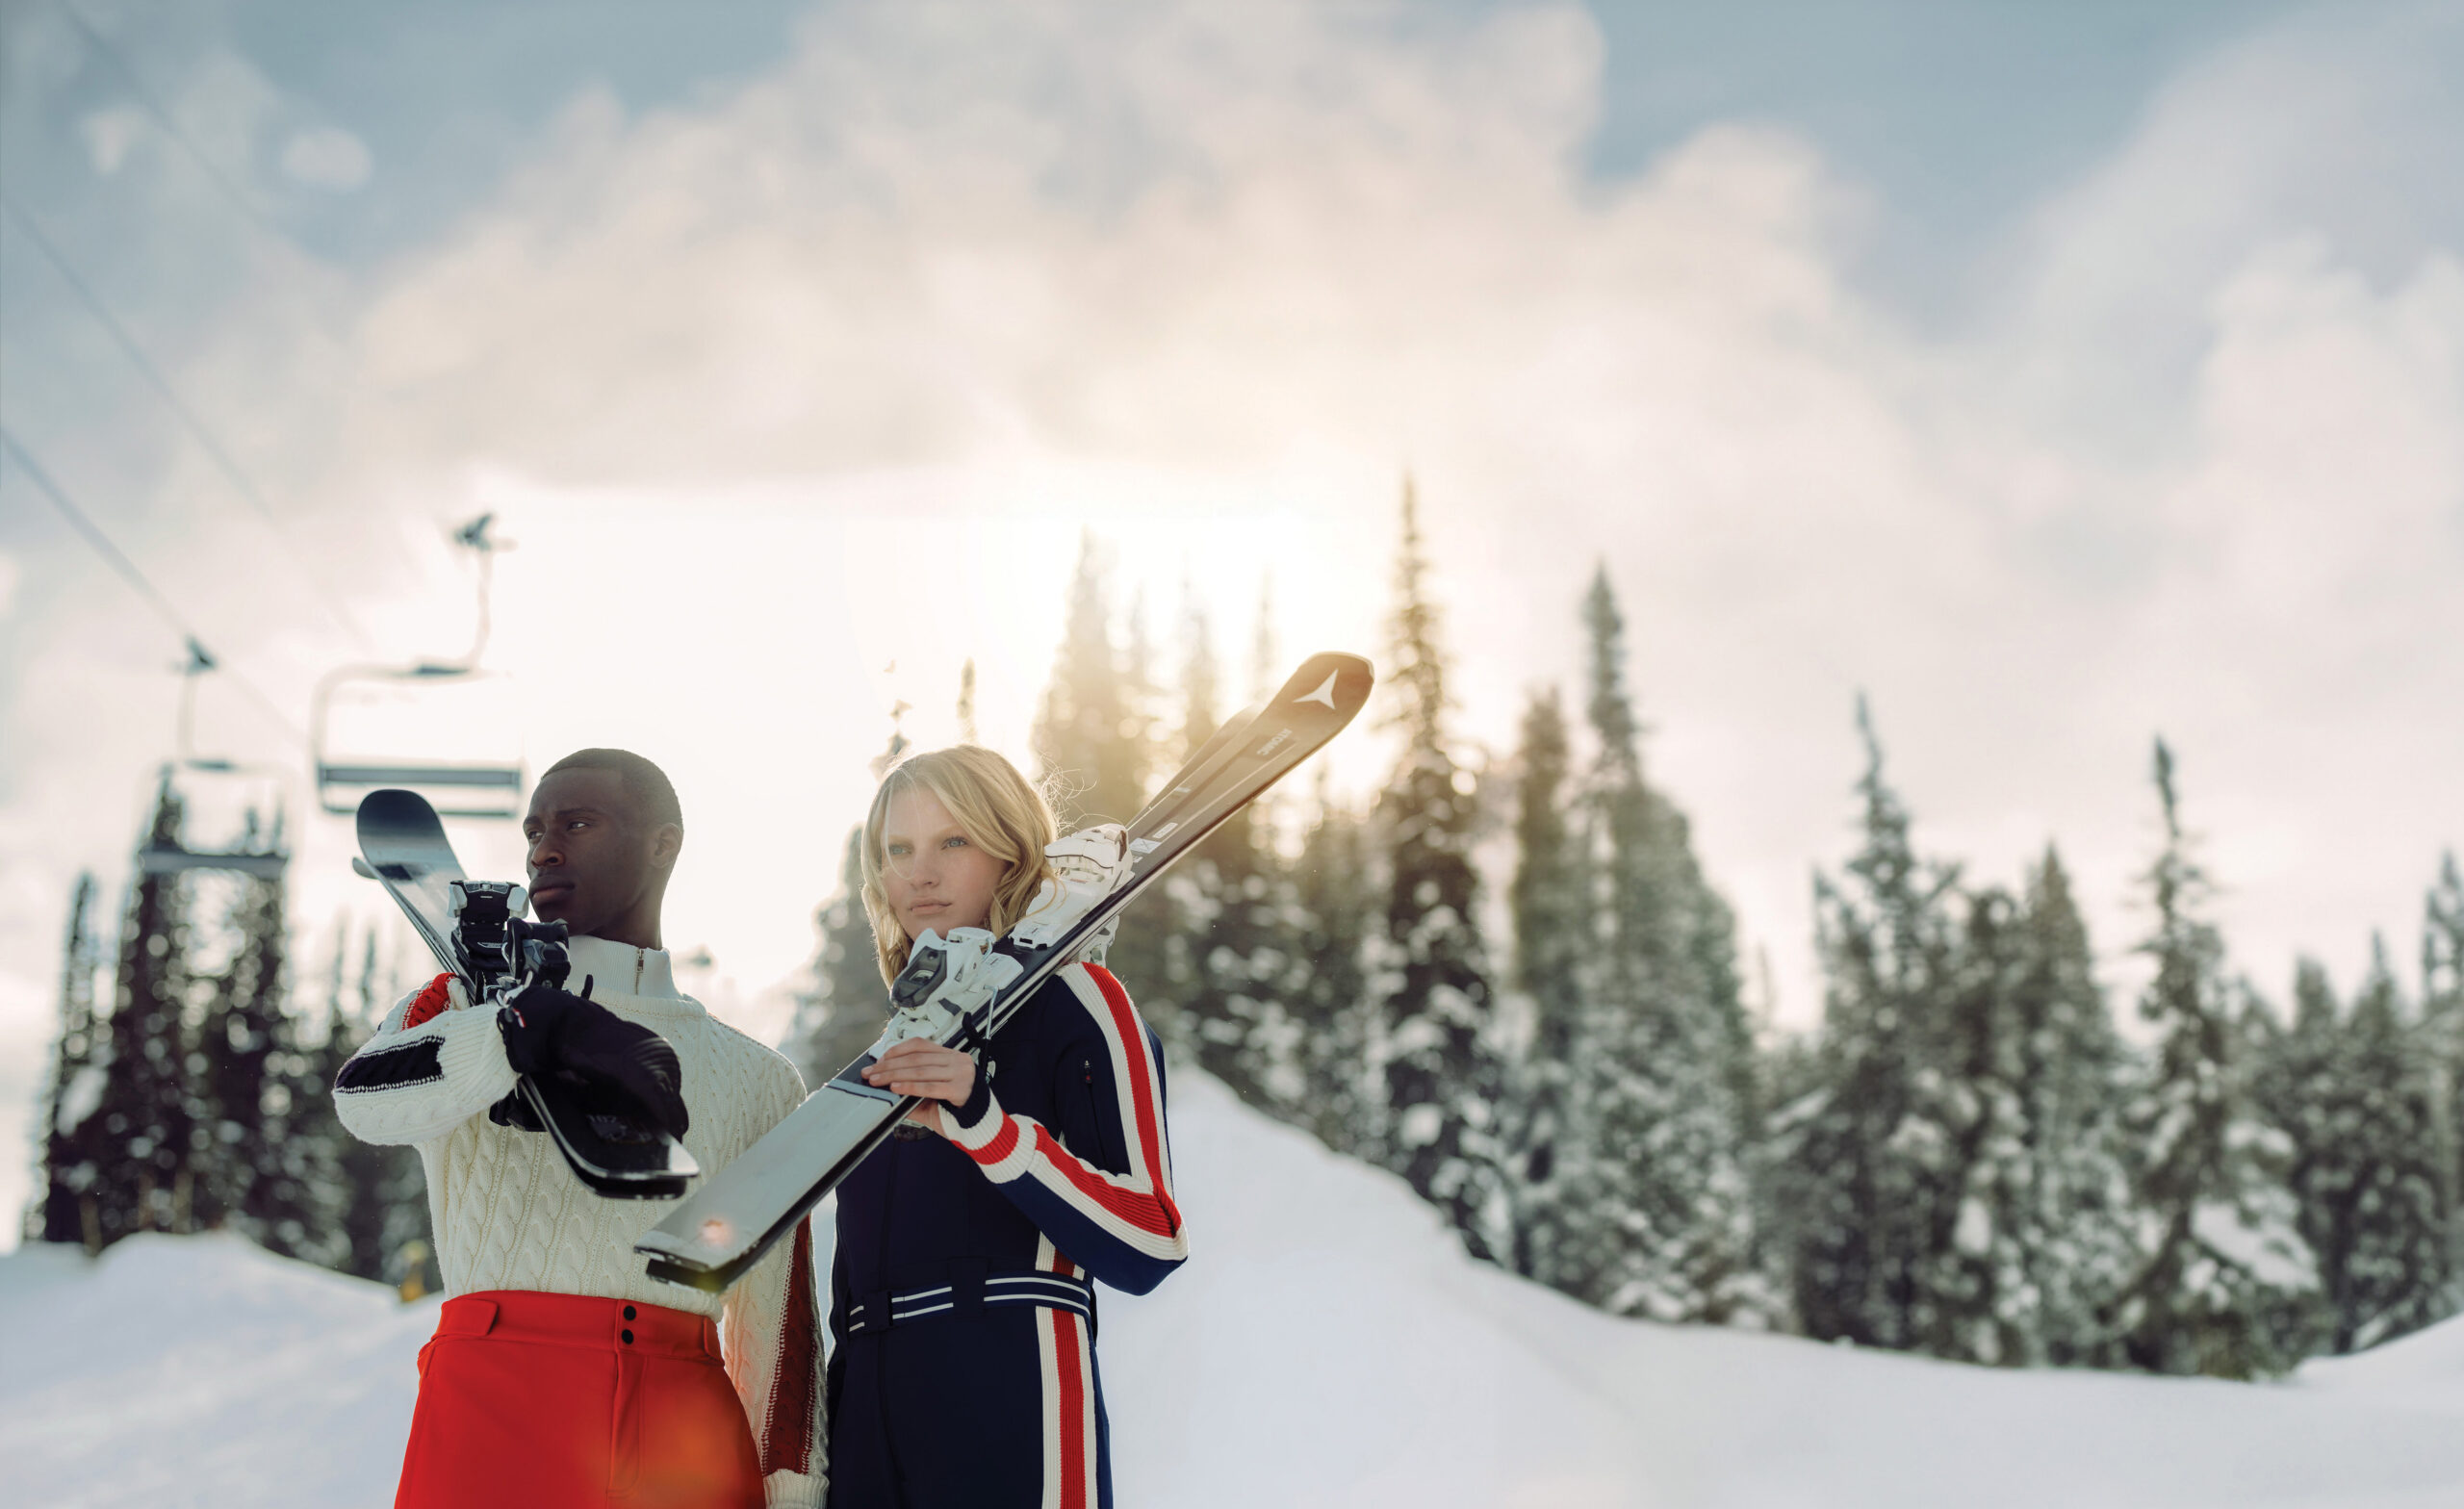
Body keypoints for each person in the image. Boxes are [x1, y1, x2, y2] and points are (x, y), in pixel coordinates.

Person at [334, 749, 827, 1509]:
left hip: (685, 1431)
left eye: (578, 822)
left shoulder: (757, 1078)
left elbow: (778, 1323)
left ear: (664, 844)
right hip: (492, 1411)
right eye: (534, 830)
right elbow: (362, 1098)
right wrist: (509, 1036)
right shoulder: (463, 1003)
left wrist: (794, 1495)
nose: (542, 849)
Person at [830, 745, 1188, 1508]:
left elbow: (1151, 1238)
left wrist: (987, 1124)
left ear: (1010, 855)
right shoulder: (887, 1060)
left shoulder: (1082, 1003)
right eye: (898, 851)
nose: (919, 873)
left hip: (1012, 1411)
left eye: (952, 841)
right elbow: (847, 1295)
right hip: (869, 1434)